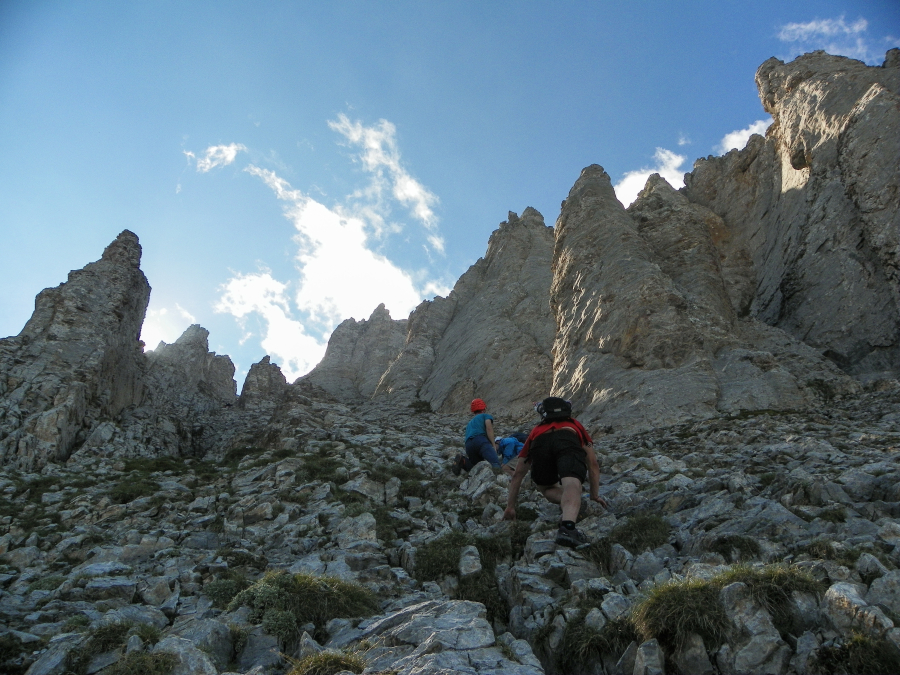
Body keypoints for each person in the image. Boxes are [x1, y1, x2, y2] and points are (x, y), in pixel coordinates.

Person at [503, 397, 607, 548]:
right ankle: (568, 528)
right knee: (571, 483)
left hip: (540, 444)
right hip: (567, 439)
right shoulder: (574, 424)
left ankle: (569, 503)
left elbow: (518, 473)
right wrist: (594, 495)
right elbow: (593, 463)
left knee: (546, 488)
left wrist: (510, 507)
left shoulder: (536, 430)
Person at [452, 398, 503, 475]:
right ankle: (498, 481)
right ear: (484, 408)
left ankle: (463, 461)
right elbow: (489, 428)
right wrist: (493, 445)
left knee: (476, 467)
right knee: (495, 462)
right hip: (480, 440)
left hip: (468, 444)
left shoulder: (470, 423)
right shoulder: (485, 416)